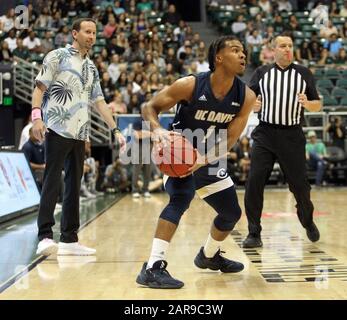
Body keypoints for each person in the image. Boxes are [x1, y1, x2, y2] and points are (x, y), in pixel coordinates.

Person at [136, 35, 256, 289]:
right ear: (219, 57)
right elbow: (149, 107)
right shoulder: (190, 85)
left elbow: (231, 137)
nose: (243, 55)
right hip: (178, 154)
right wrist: (157, 130)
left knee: (231, 213)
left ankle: (209, 256)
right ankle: (152, 267)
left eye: (243, 51)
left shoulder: (245, 96)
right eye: (236, 50)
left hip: (208, 158)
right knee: (181, 198)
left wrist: (207, 158)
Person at [31, 18, 126, 257]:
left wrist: (115, 129)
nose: (91, 36)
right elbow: (39, 88)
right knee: (53, 181)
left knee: (74, 185)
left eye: (94, 32)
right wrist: (36, 118)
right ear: (75, 33)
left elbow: (100, 102)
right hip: (56, 127)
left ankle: (70, 239)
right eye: (87, 31)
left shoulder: (91, 67)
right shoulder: (57, 56)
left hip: (80, 133)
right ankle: (44, 236)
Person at [243, 34, 322, 249]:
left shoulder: (304, 73)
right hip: (265, 134)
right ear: (273, 50)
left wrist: (308, 103)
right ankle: (254, 231)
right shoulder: (262, 72)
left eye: (290, 46)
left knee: (300, 186)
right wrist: (254, 105)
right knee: (255, 181)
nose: (287, 49)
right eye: (283, 46)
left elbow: (318, 105)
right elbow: (248, 100)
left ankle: (307, 221)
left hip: (292, 135)